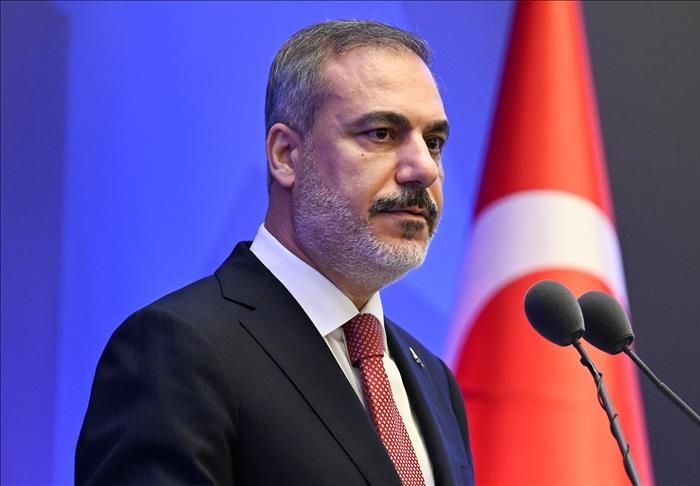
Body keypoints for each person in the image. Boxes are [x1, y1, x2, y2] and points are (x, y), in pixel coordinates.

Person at [75, 20, 474, 486]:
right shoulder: (178, 350)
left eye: (434, 143)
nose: (424, 169)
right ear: (286, 154)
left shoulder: (434, 379)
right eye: (382, 133)